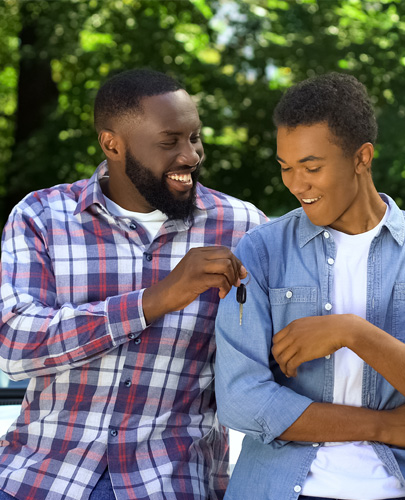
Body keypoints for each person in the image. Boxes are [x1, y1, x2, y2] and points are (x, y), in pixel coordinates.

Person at [215, 72, 405, 500]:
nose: (296, 184)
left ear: (362, 158)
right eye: (286, 168)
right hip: (281, 490)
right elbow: (239, 400)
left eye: (312, 167)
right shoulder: (261, 252)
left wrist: (353, 332)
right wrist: (380, 425)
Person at [0, 68, 266, 500]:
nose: (191, 155)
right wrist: (154, 300)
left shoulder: (244, 227)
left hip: (169, 483)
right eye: (170, 142)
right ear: (113, 144)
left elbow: (272, 352)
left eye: (195, 137)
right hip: (37, 478)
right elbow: (14, 345)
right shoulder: (42, 216)